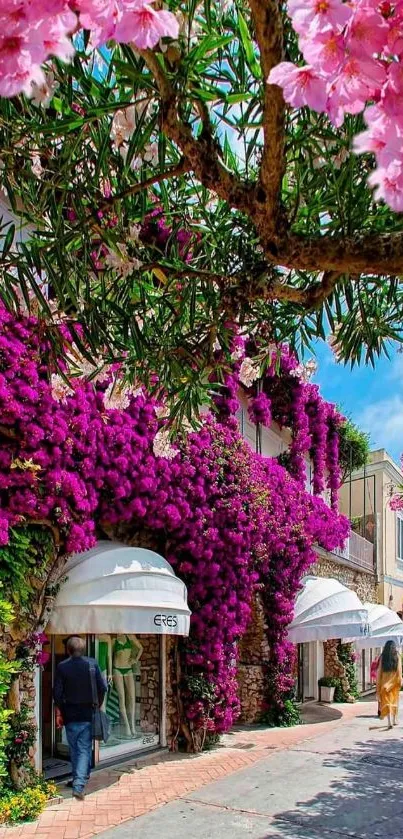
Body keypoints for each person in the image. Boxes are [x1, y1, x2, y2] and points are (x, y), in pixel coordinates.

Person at [53, 636, 107, 800]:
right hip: (87, 713)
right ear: (83, 649)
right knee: (83, 748)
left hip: (70, 714)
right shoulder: (92, 664)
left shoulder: (62, 667)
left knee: (76, 748)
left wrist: (60, 713)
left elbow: (57, 694)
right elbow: (102, 687)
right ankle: (81, 778)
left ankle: (78, 783)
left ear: (68, 650)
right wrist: (98, 705)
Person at [376, 640, 402, 730]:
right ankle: (395, 720)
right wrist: (400, 680)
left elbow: (379, 671)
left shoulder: (383, 657)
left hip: (385, 683)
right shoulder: (397, 656)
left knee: (386, 702)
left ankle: (389, 722)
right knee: (394, 701)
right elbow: (399, 670)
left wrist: (378, 685)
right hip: (394, 682)